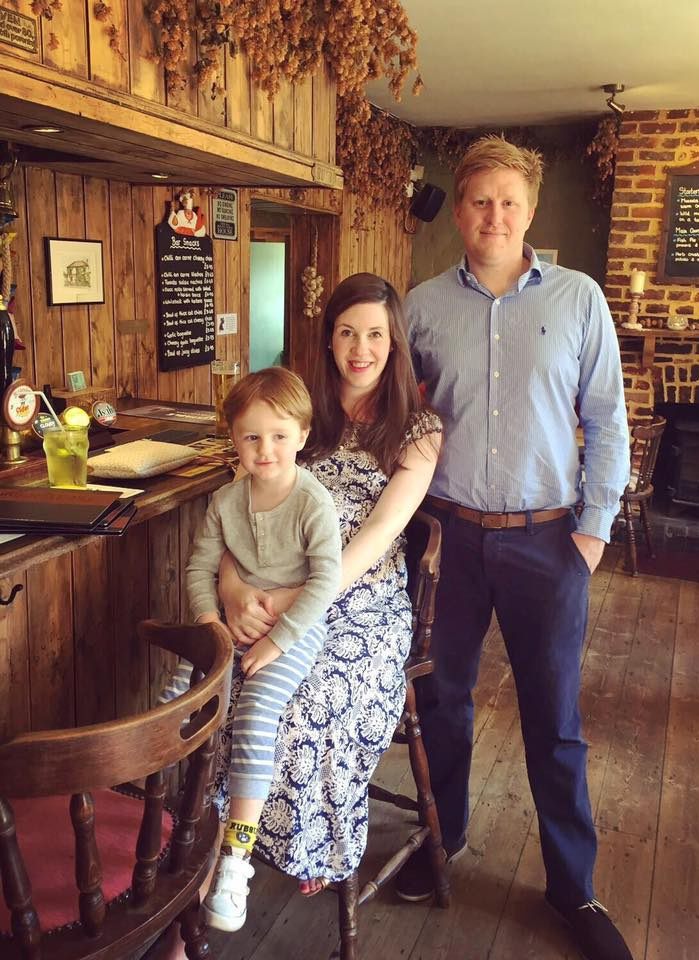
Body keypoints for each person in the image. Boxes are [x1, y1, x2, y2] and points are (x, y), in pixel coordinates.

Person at [401, 135, 633, 960]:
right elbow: (392, 411)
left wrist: (592, 532)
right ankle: (444, 840)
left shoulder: (579, 300)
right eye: (479, 201)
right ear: (458, 213)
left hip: (549, 542)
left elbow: (607, 418)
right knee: (442, 702)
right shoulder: (422, 307)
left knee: (555, 720)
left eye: (508, 201)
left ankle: (574, 889)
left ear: (529, 211)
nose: (493, 215)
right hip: (447, 542)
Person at [216, 272, 442, 897]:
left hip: (361, 603)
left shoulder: (418, 430)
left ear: (394, 343)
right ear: (328, 339)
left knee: (308, 699)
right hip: (267, 585)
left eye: (375, 334)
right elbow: (239, 510)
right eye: (347, 333)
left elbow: (377, 536)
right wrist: (233, 591)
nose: (360, 349)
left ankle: (301, 839)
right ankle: (205, 849)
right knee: (207, 685)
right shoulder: (297, 413)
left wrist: (295, 600)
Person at [161, 366, 342, 933]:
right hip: (230, 626)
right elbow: (199, 568)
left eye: (280, 436)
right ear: (234, 439)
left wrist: (278, 641)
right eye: (252, 437)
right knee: (172, 697)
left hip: (295, 629)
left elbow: (325, 582)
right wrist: (210, 626)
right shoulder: (225, 500)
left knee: (257, 711)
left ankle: (236, 859)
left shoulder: (313, 502)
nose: (266, 450)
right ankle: (169, 823)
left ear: (303, 435)